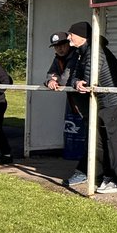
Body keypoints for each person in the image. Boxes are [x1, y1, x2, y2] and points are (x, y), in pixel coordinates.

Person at [66, 20, 117, 194]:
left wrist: (82, 82)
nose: (68, 37)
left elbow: (90, 76)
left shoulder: (95, 51)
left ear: (83, 36)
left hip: (113, 100)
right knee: (99, 140)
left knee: (113, 139)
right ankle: (105, 176)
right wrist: (77, 82)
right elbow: (74, 76)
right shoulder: (81, 52)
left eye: (71, 33)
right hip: (102, 102)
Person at [43, 31, 87, 187]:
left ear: (69, 43)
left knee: (89, 135)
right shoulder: (58, 59)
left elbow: (65, 79)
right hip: (73, 102)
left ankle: (86, 171)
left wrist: (56, 79)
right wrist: (50, 81)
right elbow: (50, 75)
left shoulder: (77, 55)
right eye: (56, 46)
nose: (59, 49)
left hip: (85, 101)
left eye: (62, 45)